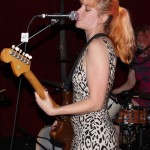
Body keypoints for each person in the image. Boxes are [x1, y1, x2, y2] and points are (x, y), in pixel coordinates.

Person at [34, 0, 135, 149]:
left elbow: (96, 102)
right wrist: (66, 119)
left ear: (103, 18)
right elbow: (84, 96)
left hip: (95, 139)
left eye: (86, 9)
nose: (78, 11)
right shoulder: (94, 44)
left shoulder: (97, 46)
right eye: (81, 6)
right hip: (85, 136)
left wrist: (55, 110)